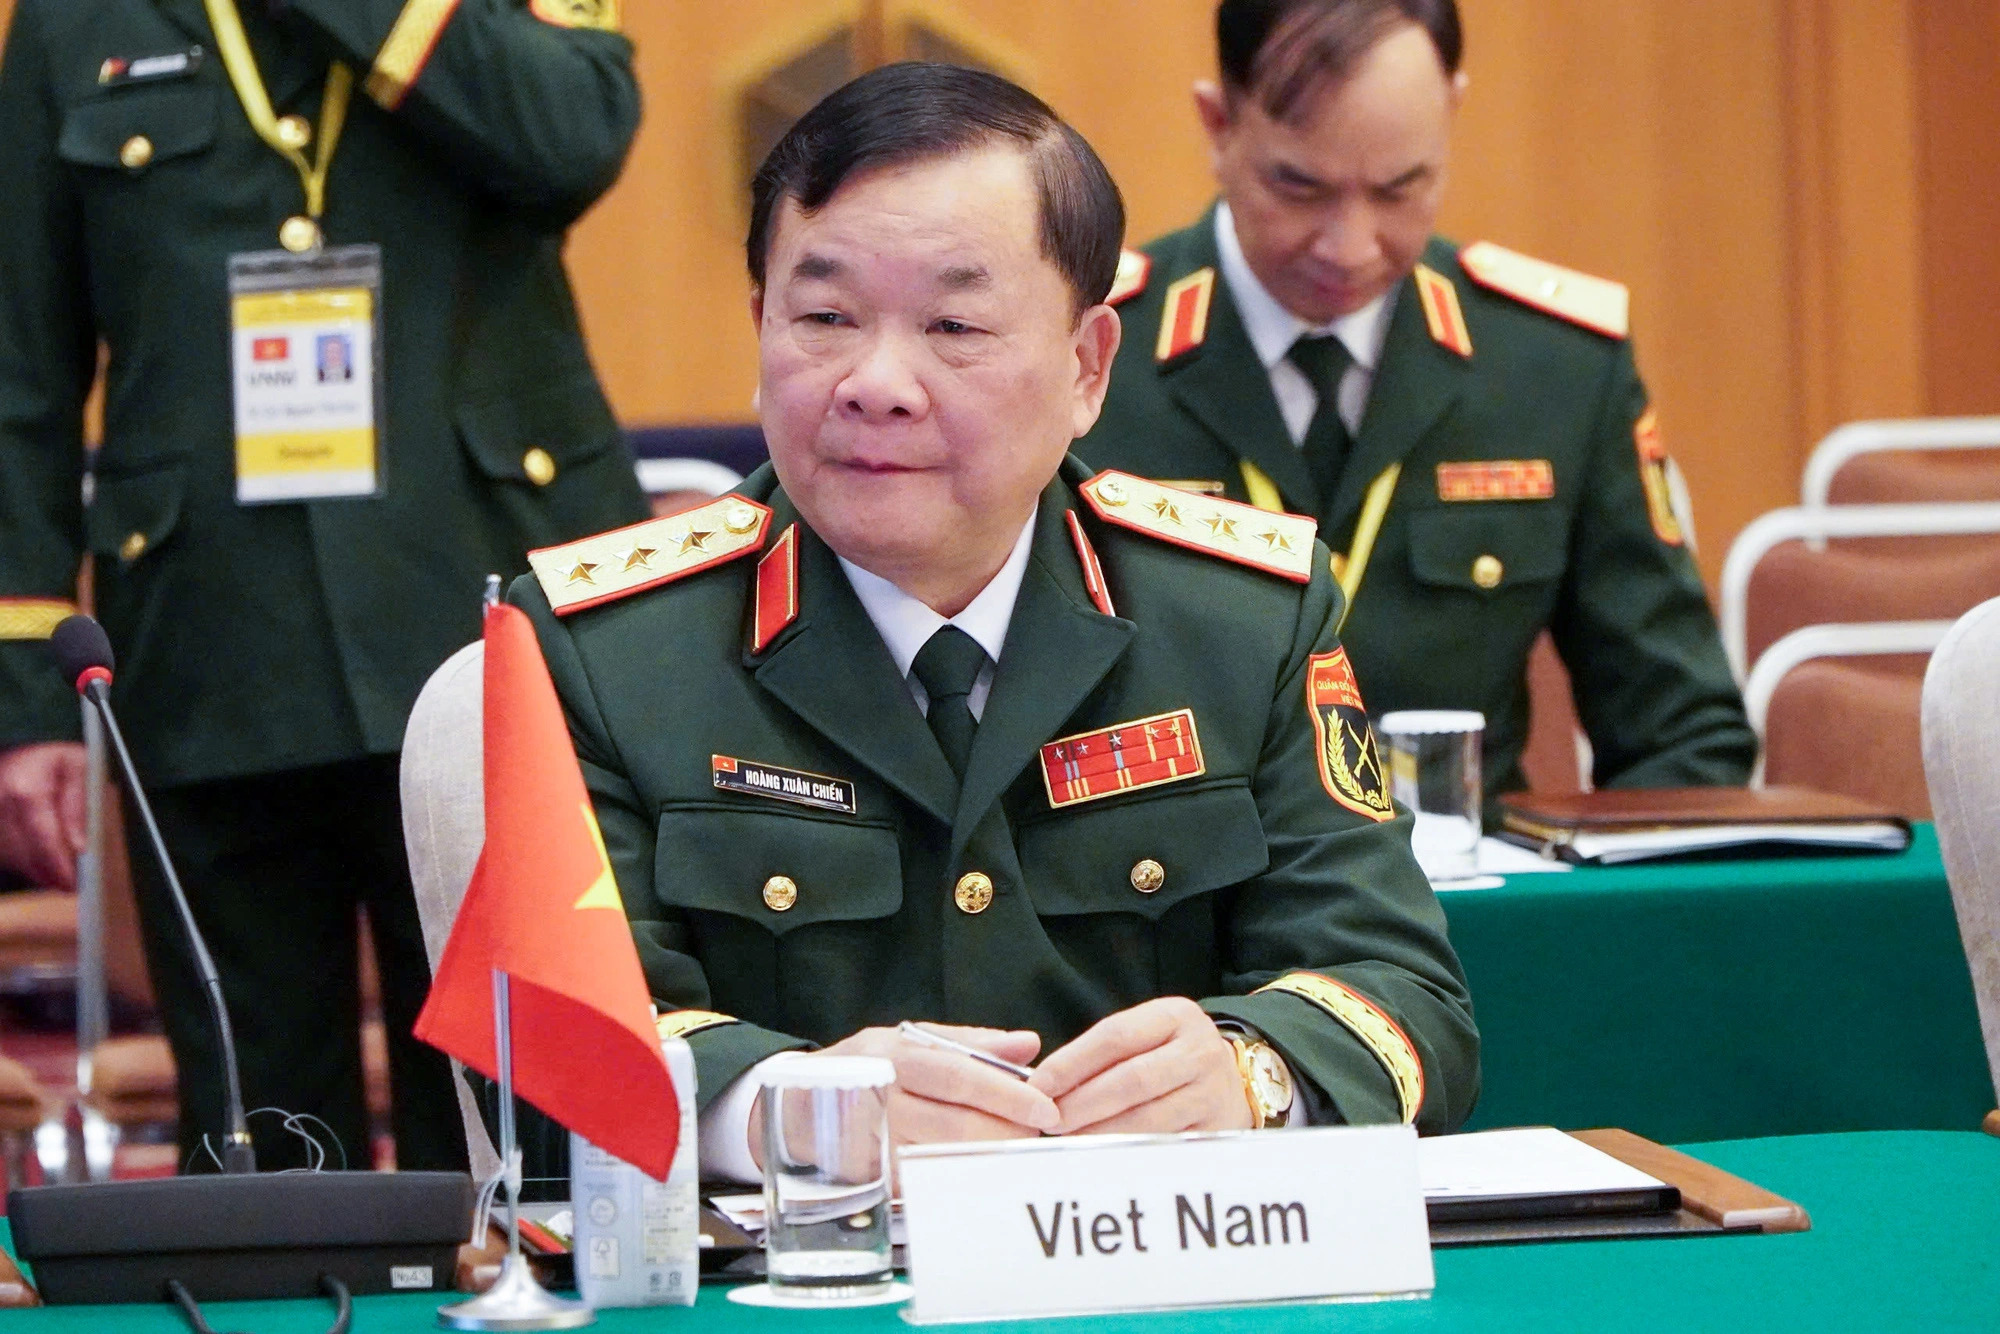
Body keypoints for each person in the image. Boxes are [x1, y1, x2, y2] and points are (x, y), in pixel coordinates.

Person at [513, 62, 1477, 1177]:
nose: (876, 381)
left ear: (1084, 365)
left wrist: (1248, 1073)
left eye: (953, 324)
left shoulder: (1242, 618)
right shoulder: (600, 649)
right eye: (822, 316)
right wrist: (790, 1111)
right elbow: (543, 1054)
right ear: (759, 327)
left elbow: (1405, 997)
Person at [0, 0, 650, 1171]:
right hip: (210, 630)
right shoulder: (67, 21)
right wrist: (26, 698)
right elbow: (19, 374)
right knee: (262, 1146)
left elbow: (570, 137)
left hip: (484, 616)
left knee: (520, 1124)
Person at [1078, 0, 1755, 811]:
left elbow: (1682, 733)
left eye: (1402, 188)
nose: (1350, 245)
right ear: (1218, 124)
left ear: (1451, 116)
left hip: (1473, 913)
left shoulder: (1554, 367)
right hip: (1182, 914)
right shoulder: (1085, 360)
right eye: (1299, 186)